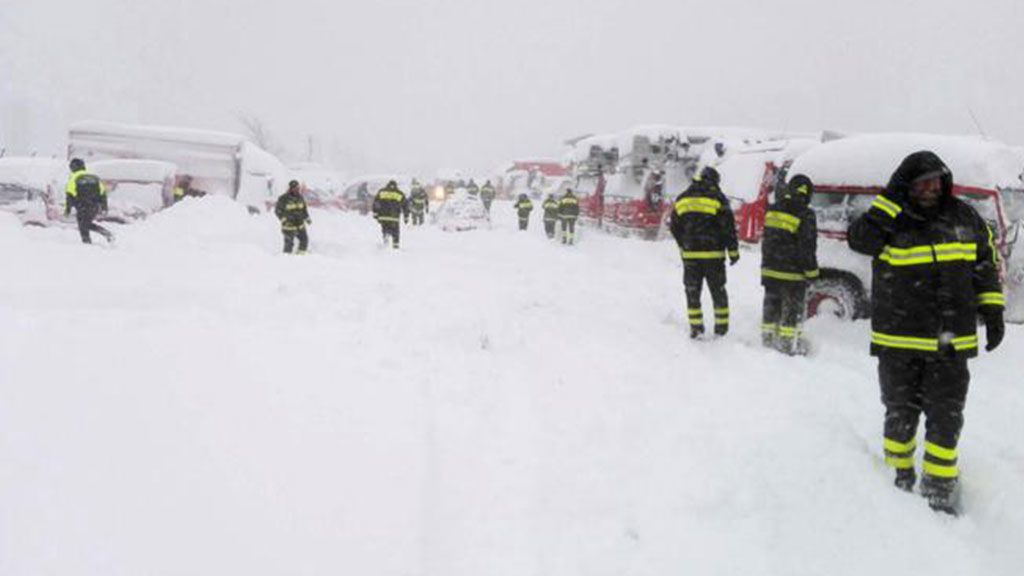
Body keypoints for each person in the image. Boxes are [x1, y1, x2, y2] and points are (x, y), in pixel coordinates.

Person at [848, 151, 1004, 515]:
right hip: (898, 343)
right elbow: (861, 240)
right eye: (922, 181)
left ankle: (939, 486)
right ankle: (896, 479)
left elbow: (985, 263)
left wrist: (993, 309)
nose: (931, 187)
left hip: (952, 342)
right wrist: (890, 198)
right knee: (900, 415)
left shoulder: (964, 217)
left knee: (946, 417)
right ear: (907, 183)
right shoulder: (889, 217)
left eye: (936, 179)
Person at [668, 166, 739, 339]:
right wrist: (733, 251)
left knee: (693, 293)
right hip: (713, 256)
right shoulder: (718, 198)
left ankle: (696, 328)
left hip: (690, 256)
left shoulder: (683, 198)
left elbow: (674, 225)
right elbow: (728, 228)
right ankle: (721, 330)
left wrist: (684, 244)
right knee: (718, 292)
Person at [760, 174, 819, 355]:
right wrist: (812, 272)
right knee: (791, 312)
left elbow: (768, 240)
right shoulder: (806, 214)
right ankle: (787, 347)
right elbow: (806, 248)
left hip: (770, 271)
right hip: (793, 275)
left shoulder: (773, 209)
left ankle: (767, 341)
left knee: (771, 306)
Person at [65, 158, 114, 244]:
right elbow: (103, 193)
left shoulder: (73, 179)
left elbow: (69, 196)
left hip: (82, 206)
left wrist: (67, 210)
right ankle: (105, 234)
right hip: (94, 206)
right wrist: (104, 207)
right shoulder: (94, 178)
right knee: (86, 224)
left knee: (83, 226)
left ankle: (87, 244)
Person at [274, 180, 311, 254]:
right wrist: (284, 219)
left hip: (300, 225)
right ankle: (287, 260)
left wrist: (307, 218)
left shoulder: (300, 197)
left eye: (298, 188)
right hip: (289, 226)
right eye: (295, 188)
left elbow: (304, 209)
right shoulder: (283, 198)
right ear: (291, 188)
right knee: (289, 244)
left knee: (304, 240)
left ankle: (300, 257)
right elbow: (277, 211)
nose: (297, 190)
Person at [372, 179, 409, 249]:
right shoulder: (399, 193)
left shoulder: (382, 192)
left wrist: (375, 214)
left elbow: (376, 203)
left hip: (383, 217)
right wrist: (406, 216)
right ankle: (395, 247)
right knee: (395, 232)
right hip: (394, 218)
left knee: (385, 229)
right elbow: (405, 206)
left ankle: (386, 242)